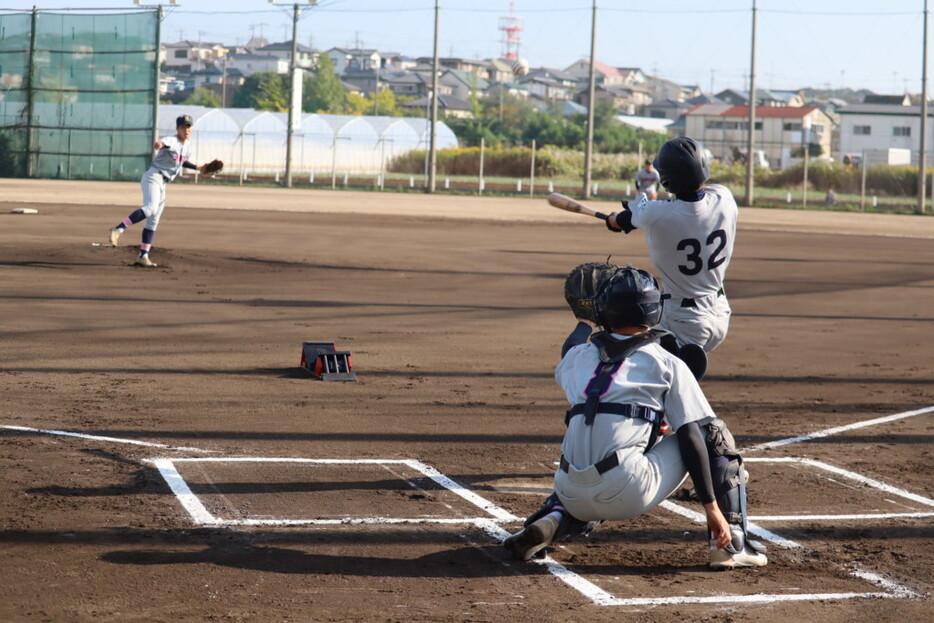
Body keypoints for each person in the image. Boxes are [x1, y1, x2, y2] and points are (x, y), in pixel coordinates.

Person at [503, 266, 768, 570]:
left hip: (568, 489)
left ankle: (554, 516)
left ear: (605, 311)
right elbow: (693, 437)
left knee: (603, 449)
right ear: (656, 310)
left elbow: (570, 347)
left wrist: (585, 321)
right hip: (628, 492)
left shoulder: (578, 358)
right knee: (712, 433)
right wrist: (711, 509)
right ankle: (731, 544)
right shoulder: (667, 363)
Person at [606, 137, 736, 369]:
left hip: (684, 321)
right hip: (720, 312)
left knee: (655, 377)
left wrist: (611, 220)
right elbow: (692, 203)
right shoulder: (725, 198)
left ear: (666, 179)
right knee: (674, 379)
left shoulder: (655, 214)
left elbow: (620, 221)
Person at [108, 114, 200, 267]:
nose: (186, 129)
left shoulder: (188, 146)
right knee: (150, 209)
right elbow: (164, 143)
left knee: (153, 221)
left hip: (163, 183)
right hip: (154, 177)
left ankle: (143, 255)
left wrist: (198, 167)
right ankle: (118, 228)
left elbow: (182, 161)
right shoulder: (172, 140)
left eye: (188, 127)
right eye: (183, 127)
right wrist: (159, 145)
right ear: (178, 128)